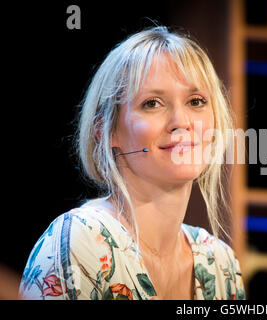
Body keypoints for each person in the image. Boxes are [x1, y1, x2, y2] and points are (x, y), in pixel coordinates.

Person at [19, 26, 245, 300]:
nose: (182, 122)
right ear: (106, 130)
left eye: (196, 101)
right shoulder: (79, 241)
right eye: (152, 103)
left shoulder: (222, 266)